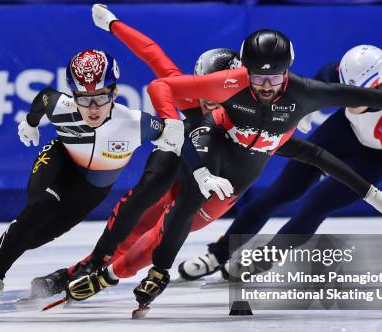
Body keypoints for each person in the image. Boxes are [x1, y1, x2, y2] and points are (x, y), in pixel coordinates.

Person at [65, 25, 382, 312]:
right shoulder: (225, 97)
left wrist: (378, 196)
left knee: (295, 203)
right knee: (157, 195)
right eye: (210, 97)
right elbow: (158, 67)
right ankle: (105, 262)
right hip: (207, 161)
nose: (263, 88)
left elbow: (327, 141)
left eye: (272, 80)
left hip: (238, 173)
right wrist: (115, 24)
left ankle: (118, 272)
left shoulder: (281, 117)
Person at [0, 48, 185, 318]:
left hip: (90, 190)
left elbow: (180, 141)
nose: (92, 108)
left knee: (24, 240)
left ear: (115, 92)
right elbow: (44, 99)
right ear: (73, 95)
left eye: (101, 98)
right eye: (83, 99)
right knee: (40, 207)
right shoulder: (61, 106)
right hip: (60, 162)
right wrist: (30, 123)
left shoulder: (138, 123)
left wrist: (198, 168)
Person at [29, 4, 239, 299]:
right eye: (207, 92)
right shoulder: (189, 91)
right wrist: (114, 24)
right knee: (146, 195)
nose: (212, 102)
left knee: (160, 231)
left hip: (218, 179)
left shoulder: (250, 113)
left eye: (222, 95)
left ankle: (103, 275)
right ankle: (89, 265)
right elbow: (152, 53)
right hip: (185, 157)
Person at [179, 45, 382, 280]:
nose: (349, 100)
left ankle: (262, 260)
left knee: (315, 204)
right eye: (348, 91)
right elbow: (321, 77)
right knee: (278, 193)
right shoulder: (341, 73)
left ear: (379, 88)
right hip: (344, 131)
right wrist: (307, 108)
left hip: (379, 156)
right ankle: (217, 254)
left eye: (358, 96)